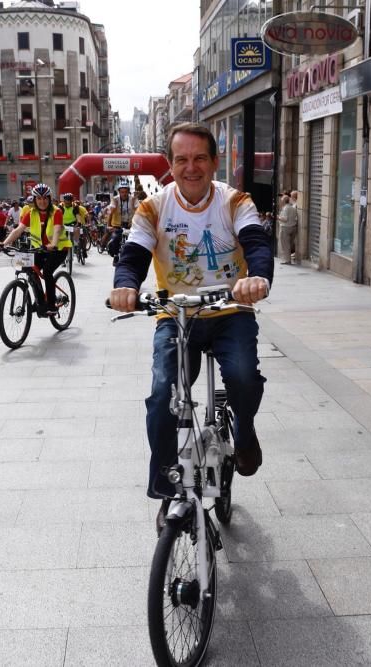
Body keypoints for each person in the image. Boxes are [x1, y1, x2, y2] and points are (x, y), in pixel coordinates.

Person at [107, 122, 272, 526]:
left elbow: (256, 243)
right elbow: (132, 257)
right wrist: (125, 286)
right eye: (181, 159)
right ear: (170, 164)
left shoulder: (235, 202)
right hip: (177, 315)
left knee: (242, 378)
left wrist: (257, 277)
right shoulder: (153, 207)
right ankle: (168, 485)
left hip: (230, 312)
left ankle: (245, 430)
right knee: (163, 393)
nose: (191, 167)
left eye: (200, 158)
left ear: (215, 162)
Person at [0, 182, 67, 316]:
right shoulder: (31, 213)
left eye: (45, 198)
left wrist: (53, 244)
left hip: (58, 249)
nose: (42, 201)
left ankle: (51, 305)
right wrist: (3, 244)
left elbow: (57, 230)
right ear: (34, 200)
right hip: (39, 249)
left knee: (47, 272)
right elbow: (18, 230)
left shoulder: (56, 212)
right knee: (29, 270)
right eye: (39, 198)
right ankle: (40, 302)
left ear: (49, 199)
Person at [107, 180, 136, 266]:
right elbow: (110, 212)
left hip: (130, 225)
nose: (124, 194)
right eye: (122, 192)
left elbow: (139, 211)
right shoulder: (115, 199)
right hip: (117, 225)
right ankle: (116, 256)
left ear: (128, 192)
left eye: (126, 192)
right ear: (119, 192)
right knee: (115, 239)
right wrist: (108, 225)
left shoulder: (133, 199)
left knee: (136, 241)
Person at [276, 193, 298, 265]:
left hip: (285, 228)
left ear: (284, 201)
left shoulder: (286, 208)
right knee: (289, 244)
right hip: (293, 227)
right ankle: (287, 259)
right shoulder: (293, 208)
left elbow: (285, 219)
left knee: (285, 245)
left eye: (281, 200)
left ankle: (287, 260)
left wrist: (278, 217)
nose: (280, 202)